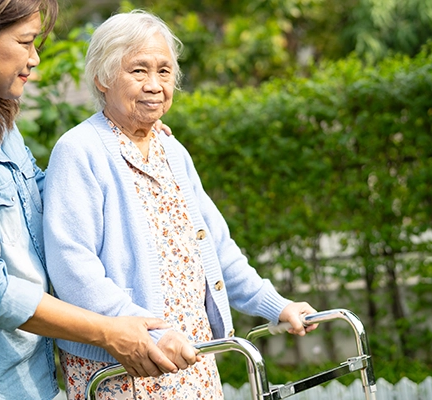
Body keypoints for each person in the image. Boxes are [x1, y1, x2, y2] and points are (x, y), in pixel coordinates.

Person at [0, 1, 191, 399]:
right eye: (26, 42)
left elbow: (55, 205)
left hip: (25, 377)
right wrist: (109, 330)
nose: (34, 59)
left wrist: (123, 135)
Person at [43, 10, 319, 399]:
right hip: (123, 367)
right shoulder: (78, 151)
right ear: (102, 78)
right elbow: (73, 268)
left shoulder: (172, 150)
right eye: (138, 71)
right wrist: (149, 331)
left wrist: (275, 305)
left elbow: (216, 250)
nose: (154, 85)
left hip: (192, 357)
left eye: (165, 71)